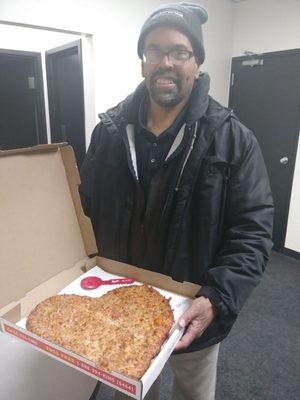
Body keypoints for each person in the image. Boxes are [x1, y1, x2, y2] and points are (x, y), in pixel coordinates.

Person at [80, 2, 274, 399]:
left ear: (197, 63)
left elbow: (252, 231)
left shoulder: (233, 140)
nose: (164, 62)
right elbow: (84, 208)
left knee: (193, 393)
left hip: (193, 310)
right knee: (133, 389)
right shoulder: (110, 133)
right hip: (122, 302)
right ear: (142, 63)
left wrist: (217, 298)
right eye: (153, 51)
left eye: (179, 52)